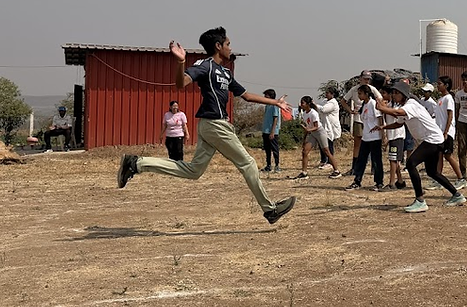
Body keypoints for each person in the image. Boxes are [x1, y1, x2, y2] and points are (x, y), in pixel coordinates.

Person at [116, 28, 295, 225]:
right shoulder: (205, 66)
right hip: (214, 124)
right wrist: (181, 62)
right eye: (228, 44)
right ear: (218, 46)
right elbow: (181, 83)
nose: (230, 48)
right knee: (248, 164)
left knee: (194, 171)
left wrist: (276, 103)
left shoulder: (226, 73)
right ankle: (270, 210)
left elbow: (246, 96)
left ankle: (136, 163)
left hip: (213, 126)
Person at [375, 82, 467, 212]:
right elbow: (398, 123)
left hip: (432, 140)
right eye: (393, 93)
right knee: (432, 172)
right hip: (434, 140)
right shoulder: (406, 107)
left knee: (411, 164)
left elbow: (398, 112)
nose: (393, 96)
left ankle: (420, 200)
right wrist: (383, 127)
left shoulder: (411, 104)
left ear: (403, 94)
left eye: (396, 93)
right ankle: (457, 195)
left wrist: (382, 108)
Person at [346, 85, 384, 191]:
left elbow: (380, 118)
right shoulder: (364, 104)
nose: (359, 96)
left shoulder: (372, 104)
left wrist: (382, 134)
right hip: (366, 137)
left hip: (375, 137)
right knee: (361, 160)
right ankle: (357, 180)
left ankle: (379, 182)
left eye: (360, 93)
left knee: (376, 161)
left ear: (366, 94)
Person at [295, 97, 341, 180]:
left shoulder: (313, 113)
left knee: (327, 151)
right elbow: (308, 127)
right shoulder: (305, 113)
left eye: (303, 103)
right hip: (312, 133)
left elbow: (316, 127)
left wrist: (308, 130)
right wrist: (304, 139)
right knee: (305, 151)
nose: (301, 105)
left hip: (319, 132)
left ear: (308, 104)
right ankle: (304, 173)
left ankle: (337, 171)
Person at [435, 76, 465, 187]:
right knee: (439, 155)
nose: (438, 86)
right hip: (439, 133)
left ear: (446, 85)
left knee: (448, 155)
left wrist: (446, 131)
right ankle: (438, 178)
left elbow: (450, 115)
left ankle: (461, 178)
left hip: (447, 133)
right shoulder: (440, 99)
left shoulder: (448, 98)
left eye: (440, 84)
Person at [317, 87, 341, 169]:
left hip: (331, 127)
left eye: (328, 93)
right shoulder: (325, 101)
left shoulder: (333, 103)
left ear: (332, 94)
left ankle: (330, 162)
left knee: (329, 144)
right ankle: (323, 160)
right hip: (324, 125)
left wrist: (314, 105)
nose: (326, 94)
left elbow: (323, 109)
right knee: (322, 143)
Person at [261, 89, 281, 172]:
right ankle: (268, 165)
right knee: (267, 149)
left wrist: (272, 131)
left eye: (266, 95)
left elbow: (275, 118)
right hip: (265, 130)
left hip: (272, 131)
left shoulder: (274, 105)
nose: (264, 97)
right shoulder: (267, 106)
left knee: (274, 149)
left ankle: (277, 165)